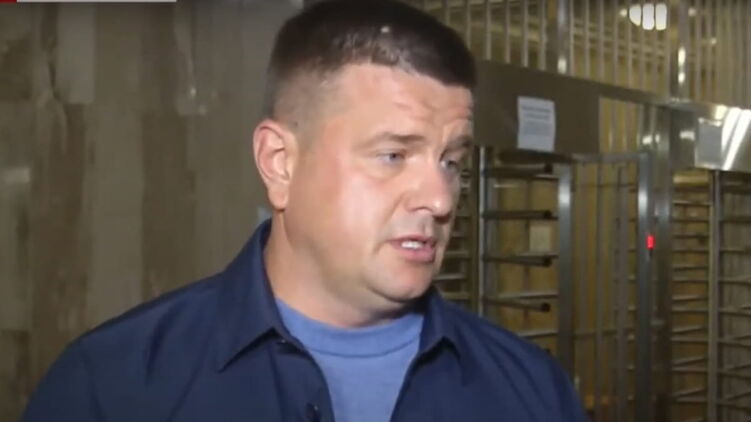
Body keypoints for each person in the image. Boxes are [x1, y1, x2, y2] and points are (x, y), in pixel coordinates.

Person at [21, 1, 588, 421]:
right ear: (280, 163)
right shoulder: (114, 386)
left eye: (451, 162)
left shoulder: (533, 393)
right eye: (393, 155)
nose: (439, 199)